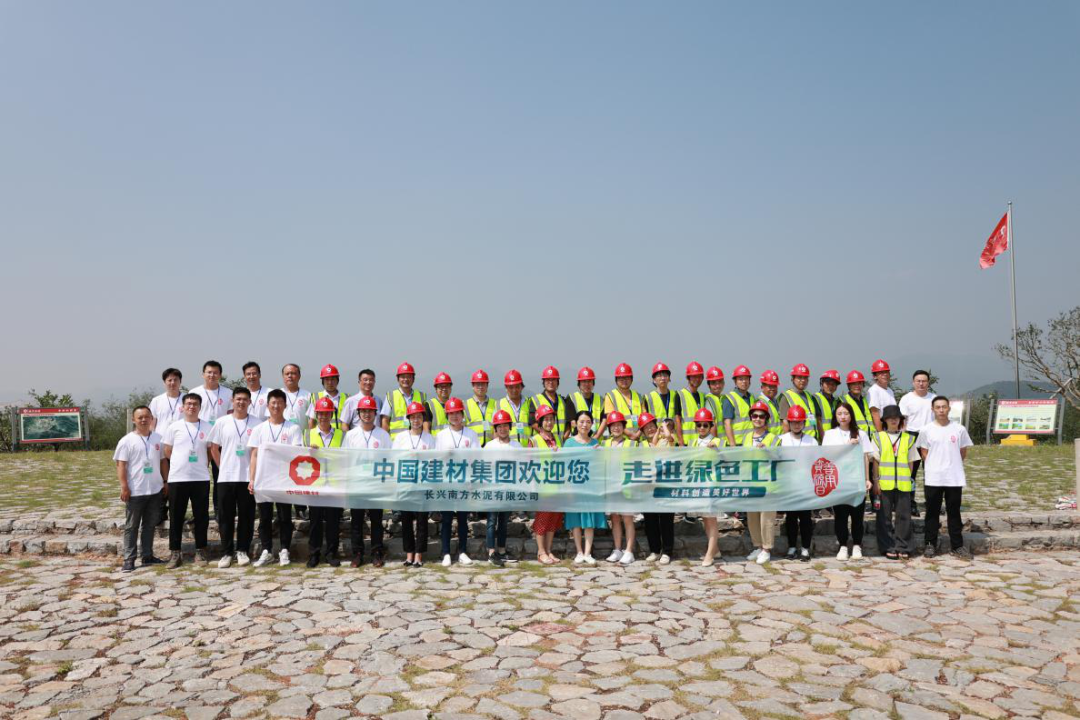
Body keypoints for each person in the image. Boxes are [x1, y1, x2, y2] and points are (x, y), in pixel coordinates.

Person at [247, 389, 303, 567]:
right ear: (268, 405)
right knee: (264, 517)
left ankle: (284, 549)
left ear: (285, 405)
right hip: (264, 479)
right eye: (273, 402)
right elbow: (254, 455)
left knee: (285, 516)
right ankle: (266, 550)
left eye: (280, 402)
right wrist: (252, 479)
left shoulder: (293, 428)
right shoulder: (259, 429)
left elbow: (296, 454)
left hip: (284, 479)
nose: (276, 406)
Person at [917, 397, 973, 559]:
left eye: (944, 407)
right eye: (938, 407)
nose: (941, 410)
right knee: (932, 512)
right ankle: (930, 544)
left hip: (954, 477)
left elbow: (962, 452)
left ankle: (957, 546)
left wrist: (951, 465)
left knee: (954, 512)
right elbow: (924, 453)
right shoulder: (926, 430)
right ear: (933, 410)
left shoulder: (959, 429)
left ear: (949, 408)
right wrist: (936, 466)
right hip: (933, 477)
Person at [161, 393, 212, 569]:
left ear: (200, 407)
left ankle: (201, 550)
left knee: (201, 516)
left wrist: (201, 465)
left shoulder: (207, 427)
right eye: (188, 403)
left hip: (200, 478)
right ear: (182, 407)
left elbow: (209, 452)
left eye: (195, 404)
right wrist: (179, 463)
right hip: (178, 478)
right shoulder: (174, 427)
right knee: (176, 516)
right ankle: (175, 552)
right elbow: (167, 450)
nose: (191, 406)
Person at [208, 387, 257, 568]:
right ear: (232, 401)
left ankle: (242, 550)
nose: (241, 402)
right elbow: (214, 448)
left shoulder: (257, 423)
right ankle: (227, 552)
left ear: (249, 402)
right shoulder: (222, 422)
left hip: (247, 477)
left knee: (246, 516)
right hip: (226, 478)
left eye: (245, 399)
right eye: (238, 399)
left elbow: (258, 451)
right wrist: (223, 467)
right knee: (225, 516)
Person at [113, 406, 166, 571]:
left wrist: (165, 482)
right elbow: (121, 465)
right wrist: (124, 487)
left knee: (149, 525)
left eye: (146, 417)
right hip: (135, 491)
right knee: (132, 526)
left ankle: (147, 555)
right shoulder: (126, 441)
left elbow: (163, 461)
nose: (143, 420)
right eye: (140, 417)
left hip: (155, 490)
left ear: (151, 419)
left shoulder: (158, 438)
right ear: (134, 420)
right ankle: (129, 559)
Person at [821, 402, 875, 561]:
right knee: (841, 515)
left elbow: (866, 457)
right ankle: (843, 545)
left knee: (858, 515)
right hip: (838, 481)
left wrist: (867, 479)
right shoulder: (830, 434)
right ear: (835, 416)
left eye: (846, 413)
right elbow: (828, 457)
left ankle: (857, 545)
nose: (843, 417)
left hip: (856, 480)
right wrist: (847, 446)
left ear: (851, 415)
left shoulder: (861, 434)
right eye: (839, 414)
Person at [344, 395, 391, 567]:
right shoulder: (351, 435)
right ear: (358, 414)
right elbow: (345, 459)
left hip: (376, 484)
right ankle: (357, 553)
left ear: (375, 413)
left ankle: (377, 552)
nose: (366, 414)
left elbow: (389, 458)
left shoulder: (383, 435)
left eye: (370, 411)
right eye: (363, 411)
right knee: (356, 520)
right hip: (357, 483)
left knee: (376, 520)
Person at [435, 397, 479, 566]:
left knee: (462, 519)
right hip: (447, 482)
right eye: (451, 413)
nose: (454, 416)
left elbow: (476, 457)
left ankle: (462, 552)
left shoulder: (471, 434)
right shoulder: (441, 435)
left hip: (464, 482)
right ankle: (446, 552)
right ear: (447, 416)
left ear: (462, 414)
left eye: (457, 413)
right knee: (446, 519)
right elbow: (437, 459)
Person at [393, 401, 435, 567]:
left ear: (423, 418)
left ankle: (419, 555)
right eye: (413, 417)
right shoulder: (401, 437)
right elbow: (395, 458)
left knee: (422, 521)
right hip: (405, 484)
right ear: (408, 419)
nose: (416, 420)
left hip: (423, 485)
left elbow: (434, 460)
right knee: (406, 521)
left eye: (419, 416)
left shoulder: (429, 438)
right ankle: (409, 554)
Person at [873, 405, 917, 560]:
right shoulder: (878, 437)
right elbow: (876, 462)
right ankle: (887, 546)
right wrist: (876, 481)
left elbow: (911, 462)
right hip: (884, 483)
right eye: (890, 418)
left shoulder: (908, 438)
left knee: (904, 517)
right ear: (885, 420)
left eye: (896, 418)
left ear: (900, 420)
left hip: (903, 484)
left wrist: (908, 478)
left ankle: (903, 546)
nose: (893, 420)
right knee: (883, 517)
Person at [305, 397, 345, 567]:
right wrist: (308, 451)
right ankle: (314, 554)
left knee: (333, 522)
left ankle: (331, 553)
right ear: (316, 415)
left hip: (334, 485)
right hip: (315, 485)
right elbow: (298, 457)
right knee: (314, 522)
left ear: (332, 415)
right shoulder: (308, 434)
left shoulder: (341, 435)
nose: (323, 417)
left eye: (327, 413)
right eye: (320, 414)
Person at [563, 411, 605, 565]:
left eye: (588, 422)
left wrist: (600, 453)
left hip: (591, 487)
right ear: (575, 423)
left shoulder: (595, 443)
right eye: (581, 421)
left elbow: (600, 466)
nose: (584, 425)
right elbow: (565, 467)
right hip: (574, 486)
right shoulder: (569, 443)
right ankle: (579, 552)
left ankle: (588, 553)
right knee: (575, 520)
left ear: (592, 424)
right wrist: (568, 488)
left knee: (589, 520)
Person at [742, 401, 780, 565]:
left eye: (761, 416)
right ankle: (757, 546)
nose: (757, 419)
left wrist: (768, 451)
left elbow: (780, 458)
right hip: (751, 482)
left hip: (768, 483)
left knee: (767, 518)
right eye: (754, 415)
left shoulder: (773, 438)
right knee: (753, 517)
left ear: (766, 419)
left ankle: (767, 549)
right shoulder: (746, 437)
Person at [778, 406, 816, 561]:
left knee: (806, 518)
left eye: (800, 422)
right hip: (788, 486)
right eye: (794, 422)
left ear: (804, 423)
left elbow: (816, 461)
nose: (797, 425)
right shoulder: (781, 439)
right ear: (788, 422)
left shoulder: (811, 441)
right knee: (791, 518)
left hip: (805, 485)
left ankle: (805, 549)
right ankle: (792, 547)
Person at [484, 410, 521, 566]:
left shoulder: (517, 446)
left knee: (504, 521)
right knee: (491, 521)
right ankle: (491, 552)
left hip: (509, 489)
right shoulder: (489, 446)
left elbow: (522, 465)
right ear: (495, 428)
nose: (503, 429)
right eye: (499, 426)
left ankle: (502, 550)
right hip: (493, 490)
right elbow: (484, 466)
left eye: (505, 425)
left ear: (510, 427)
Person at [898, 370, 936, 517]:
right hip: (911, 436)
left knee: (931, 472)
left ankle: (932, 503)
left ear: (928, 383)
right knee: (910, 473)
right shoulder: (906, 399)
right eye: (918, 381)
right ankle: (910, 503)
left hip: (930, 437)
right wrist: (903, 440)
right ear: (913, 382)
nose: (921, 383)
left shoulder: (934, 398)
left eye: (924, 381)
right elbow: (902, 421)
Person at [639, 412, 675, 564]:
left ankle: (667, 551)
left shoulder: (666, 441)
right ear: (642, 431)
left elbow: (669, 438)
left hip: (666, 485)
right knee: (650, 520)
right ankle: (654, 550)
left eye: (652, 426)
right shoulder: (641, 445)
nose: (650, 429)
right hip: (648, 487)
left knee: (666, 520)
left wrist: (663, 428)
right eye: (646, 428)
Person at [689, 408, 723, 566]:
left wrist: (716, 449)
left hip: (712, 485)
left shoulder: (718, 441)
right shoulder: (693, 442)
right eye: (699, 425)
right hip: (698, 484)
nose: (702, 428)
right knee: (705, 519)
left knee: (712, 519)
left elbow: (726, 458)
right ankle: (715, 550)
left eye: (705, 425)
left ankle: (709, 555)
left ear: (711, 426)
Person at [602, 411, 637, 566]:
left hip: (626, 487)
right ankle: (617, 549)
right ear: (609, 428)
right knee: (615, 518)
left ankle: (629, 551)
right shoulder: (605, 444)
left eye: (619, 425)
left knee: (627, 519)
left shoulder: (632, 444)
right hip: (611, 487)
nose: (616, 428)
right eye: (613, 425)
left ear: (624, 427)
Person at [531, 404, 563, 564]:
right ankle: (541, 551)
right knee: (542, 519)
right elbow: (530, 463)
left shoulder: (557, 438)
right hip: (542, 487)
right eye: (546, 420)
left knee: (553, 520)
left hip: (557, 486)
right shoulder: (534, 440)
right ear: (540, 422)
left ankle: (549, 550)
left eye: (551, 419)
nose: (549, 422)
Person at [383, 362, 428, 440]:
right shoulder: (390, 396)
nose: (406, 379)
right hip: (397, 441)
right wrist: (385, 440)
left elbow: (425, 420)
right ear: (398, 379)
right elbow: (385, 420)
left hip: (417, 439)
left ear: (413, 379)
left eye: (409, 377)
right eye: (403, 377)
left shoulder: (421, 396)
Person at [779, 364, 819, 441]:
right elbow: (785, 424)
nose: (803, 380)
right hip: (797, 441)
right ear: (792, 379)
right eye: (799, 377)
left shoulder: (809, 395)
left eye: (805, 378)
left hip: (812, 440)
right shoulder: (786, 397)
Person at [605, 363, 645, 440]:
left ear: (631, 379)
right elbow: (611, 420)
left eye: (627, 378)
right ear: (616, 380)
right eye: (621, 378)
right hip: (620, 440)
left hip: (639, 439)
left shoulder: (639, 396)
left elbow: (644, 418)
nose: (624, 381)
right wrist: (630, 435)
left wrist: (637, 435)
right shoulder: (610, 396)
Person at [646, 363, 682, 444]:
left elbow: (679, 419)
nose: (663, 378)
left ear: (669, 379)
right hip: (657, 440)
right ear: (654, 380)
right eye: (659, 376)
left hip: (673, 440)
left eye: (665, 375)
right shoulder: (648, 398)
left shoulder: (676, 395)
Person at [530, 366, 568, 439]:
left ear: (557, 382)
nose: (551, 382)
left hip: (560, 442)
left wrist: (565, 437)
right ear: (543, 382)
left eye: (553, 379)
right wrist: (547, 435)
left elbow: (568, 423)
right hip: (543, 441)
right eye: (548, 380)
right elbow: (532, 422)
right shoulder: (535, 400)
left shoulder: (563, 400)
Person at [191, 360, 233, 426]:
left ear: (220, 375)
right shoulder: (194, 392)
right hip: (200, 429)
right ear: (203, 374)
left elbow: (231, 414)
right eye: (209, 372)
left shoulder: (229, 393)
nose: (212, 375)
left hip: (221, 429)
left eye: (215, 373)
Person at [307, 364, 349, 430]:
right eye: (327, 379)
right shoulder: (315, 397)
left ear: (337, 380)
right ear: (322, 381)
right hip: (321, 435)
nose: (330, 382)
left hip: (341, 435)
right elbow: (312, 421)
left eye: (333, 379)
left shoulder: (347, 398)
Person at [676, 362, 707, 448]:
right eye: (694, 376)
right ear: (688, 378)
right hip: (686, 442)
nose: (697, 379)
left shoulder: (702, 396)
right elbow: (677, 420)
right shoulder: (680, 395)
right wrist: (681, 441)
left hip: (700, 442)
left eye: (699, 376)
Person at [722, 366, 755, 447]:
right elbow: (727, 423)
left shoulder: (752, 398)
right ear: (735, 381)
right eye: (740, 379)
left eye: (746, 379)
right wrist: (733, 445)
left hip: (750, 443)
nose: (744, 381)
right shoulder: (730, 398)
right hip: (737, 444)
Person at [499, 369, 532, 446]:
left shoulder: (529, 403)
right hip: (508, 448)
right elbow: (495, 430)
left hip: (527, 449)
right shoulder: (499, 404)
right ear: (506, 388)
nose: (514, 390)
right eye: (511, 387)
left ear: (522, 387)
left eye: (517, 386)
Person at [569, 367, 605, 437]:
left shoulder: (600, 399)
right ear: (579, 384)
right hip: (578, 440)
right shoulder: (571, 398)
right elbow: (572, 422)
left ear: (593, 383)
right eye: (584, 381)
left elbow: (604, 421)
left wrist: (595, 438)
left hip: (596, 441)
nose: (587, 384)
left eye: (589, 381)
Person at [465, 370, 497, 447]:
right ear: (473, 386)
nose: (480, 387)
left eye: (483, 384)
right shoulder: (465, 405)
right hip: (473, 448)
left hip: (490, 448)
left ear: (487, 386)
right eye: (478, 384)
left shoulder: (495, 404)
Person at [149, 368, 184, 434]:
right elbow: (151, 424)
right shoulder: (156, 400)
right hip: (160, 437)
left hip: (181, 437)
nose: (173, 382)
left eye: (175, 380)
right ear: (164, 382)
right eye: (170, 380)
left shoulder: (187, 400)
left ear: (180, 381)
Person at [843, 370, 875, 435]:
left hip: (870, 437)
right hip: (855, 437)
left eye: (860, 383)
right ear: (849, 386)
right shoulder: (844, 401)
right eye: (854, 384)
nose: (857, 386)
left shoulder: (865, 400)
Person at [868, 359, 896, 433]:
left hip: (893, 429)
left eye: (886, 372)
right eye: (881, 373)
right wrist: (881, 434)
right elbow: (875, 414)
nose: (885, 375)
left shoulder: (890, 391)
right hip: (883, 429)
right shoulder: (873, 390)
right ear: (875, 376)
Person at [427, 372, 454, 437]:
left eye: (447, 386)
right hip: (436, 442)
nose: (444, 389)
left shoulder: (455, 404)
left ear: (450, 388)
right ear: (436, 389)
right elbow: (426, 429)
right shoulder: (429, 405)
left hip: (453, 441)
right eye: (441, 387)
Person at [757, 371, 783, 436]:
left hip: (779, 439)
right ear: (762, 387)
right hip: (768, 441)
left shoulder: (776, 402)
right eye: (770, 386)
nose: (773, 389)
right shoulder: (760, 404)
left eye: (775, 386)